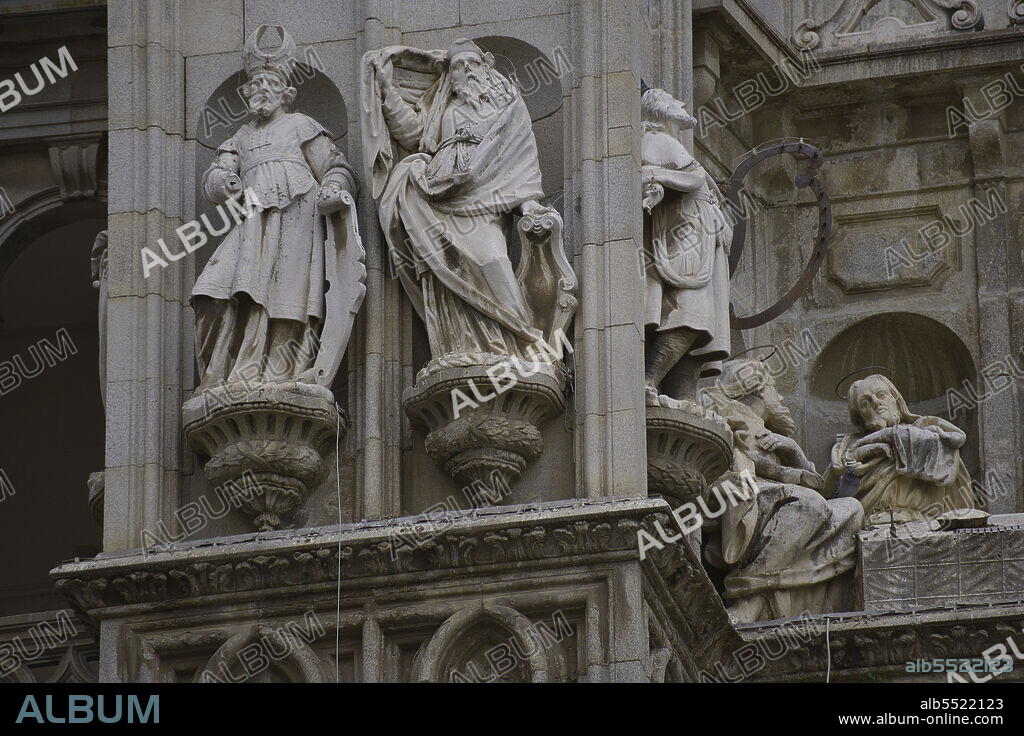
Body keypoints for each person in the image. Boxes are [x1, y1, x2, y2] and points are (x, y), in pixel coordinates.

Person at [364, 39, 555, 368]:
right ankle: (460, 346)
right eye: (458, 66)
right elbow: (412, 135)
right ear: (449, 76)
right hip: (440, 195)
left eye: (472, 64)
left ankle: (521, 344)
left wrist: (528, 205)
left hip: (486, 199)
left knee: (493, 260)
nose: (466, 71)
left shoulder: (506, 111)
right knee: (444, 265)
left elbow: (519, 160)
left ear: (485, 69)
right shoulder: (443, 109)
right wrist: (387, 91)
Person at [192, 25, 358, 390]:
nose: (260, 91)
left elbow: (337, 167)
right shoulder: (242, 136)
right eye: (255, 86)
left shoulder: (301, 125)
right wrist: (223, 182)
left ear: (287, 93)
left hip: (298, 221)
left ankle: (274, 375)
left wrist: (332, 186)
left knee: (288, 300)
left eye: (269, 85)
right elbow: (215, 173)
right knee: (213, 293)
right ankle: (226, 371)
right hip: (253, 223)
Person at [704, 359, 863, 623]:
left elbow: (817, 485)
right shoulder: (730, 414)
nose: (779, 396)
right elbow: (739, 458)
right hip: (748, 493)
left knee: (852, 510)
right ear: (756, 389)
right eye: (773, 388)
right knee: (810, 505)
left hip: (780, 497)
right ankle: (748, 594)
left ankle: (789, 594)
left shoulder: (768, 431)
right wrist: (793, 473)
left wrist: (794, 450)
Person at [641, 87, 731, 403]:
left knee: (698, 319)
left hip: (699, 236)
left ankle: (680, 394)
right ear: (658, 110)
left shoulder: (670, 142)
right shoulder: (659, 140)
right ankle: (649, 382)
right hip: (687, 237)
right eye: (670, 100)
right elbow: (687, 179)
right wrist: (659, 178)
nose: (680, 102)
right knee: (691, 314)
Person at [823, 374, 975, 525]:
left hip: (924, 523)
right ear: (860, 416)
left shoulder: (925, 429)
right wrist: (857, 454)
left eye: (881, 395)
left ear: (896, 400)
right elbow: (827, 496)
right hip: (868, 525)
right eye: (865, 403)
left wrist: (888, 434)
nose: (876, 403)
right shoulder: (847, 448)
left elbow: (947, 455)